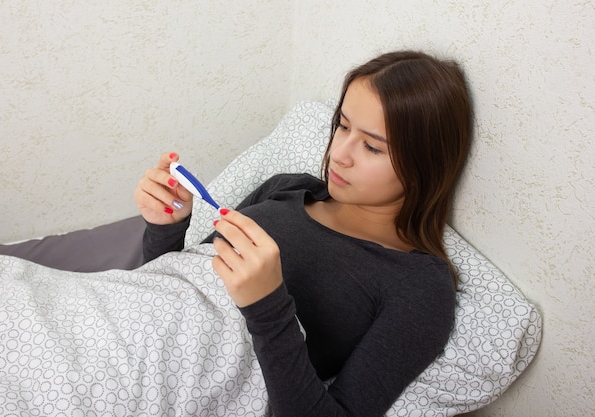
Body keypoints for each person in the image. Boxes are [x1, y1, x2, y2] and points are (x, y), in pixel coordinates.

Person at [133, 50, 472, 417]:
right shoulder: (288, 187)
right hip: (120, 316)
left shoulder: (419, 284)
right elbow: (165, 294)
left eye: (372, 146)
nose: (339, 154)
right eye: (342, 126)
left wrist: (267, 307)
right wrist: (165, 227)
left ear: (426, 165)